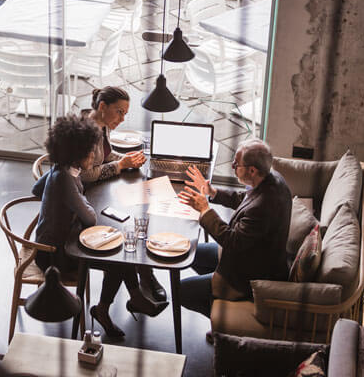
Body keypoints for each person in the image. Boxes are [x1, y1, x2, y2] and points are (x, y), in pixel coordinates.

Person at [32, 115, 167, 338]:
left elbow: (37, 189)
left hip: (55, 239)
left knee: (118, 253)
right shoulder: (66, 179)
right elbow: (90, 218)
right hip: (53, 256)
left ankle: (119, 303)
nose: (95, 156)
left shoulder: (59, 169)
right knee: (117, 257)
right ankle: (118, 305)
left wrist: (58, 205)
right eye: (90, 152)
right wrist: (76, 199)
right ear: (78, 155)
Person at [177, 138, 292, 321]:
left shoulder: (264, 207)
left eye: (236, 164)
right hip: (249, 254)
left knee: (181, 291)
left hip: (249, 273)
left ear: (252, 170)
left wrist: (205, 210)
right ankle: (214, 290)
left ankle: (220, 321)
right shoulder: (272, 180)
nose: (232, 166)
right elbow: (244, 199)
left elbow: (232, 242)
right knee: (189, 252)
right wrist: (212, 192)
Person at [81, 86, 168, 302]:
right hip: (86, 198)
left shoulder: (102, 125)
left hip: (98, 190)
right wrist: (121, 165)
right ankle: (144, 276)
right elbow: (87, 174)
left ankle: (143, 277)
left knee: (136, 218)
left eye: (125, 114)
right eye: (119, 112)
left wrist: (127, 159)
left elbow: (105, 156)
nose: (121, 119)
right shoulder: (86, 132)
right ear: (102, 107)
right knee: (127, 227)